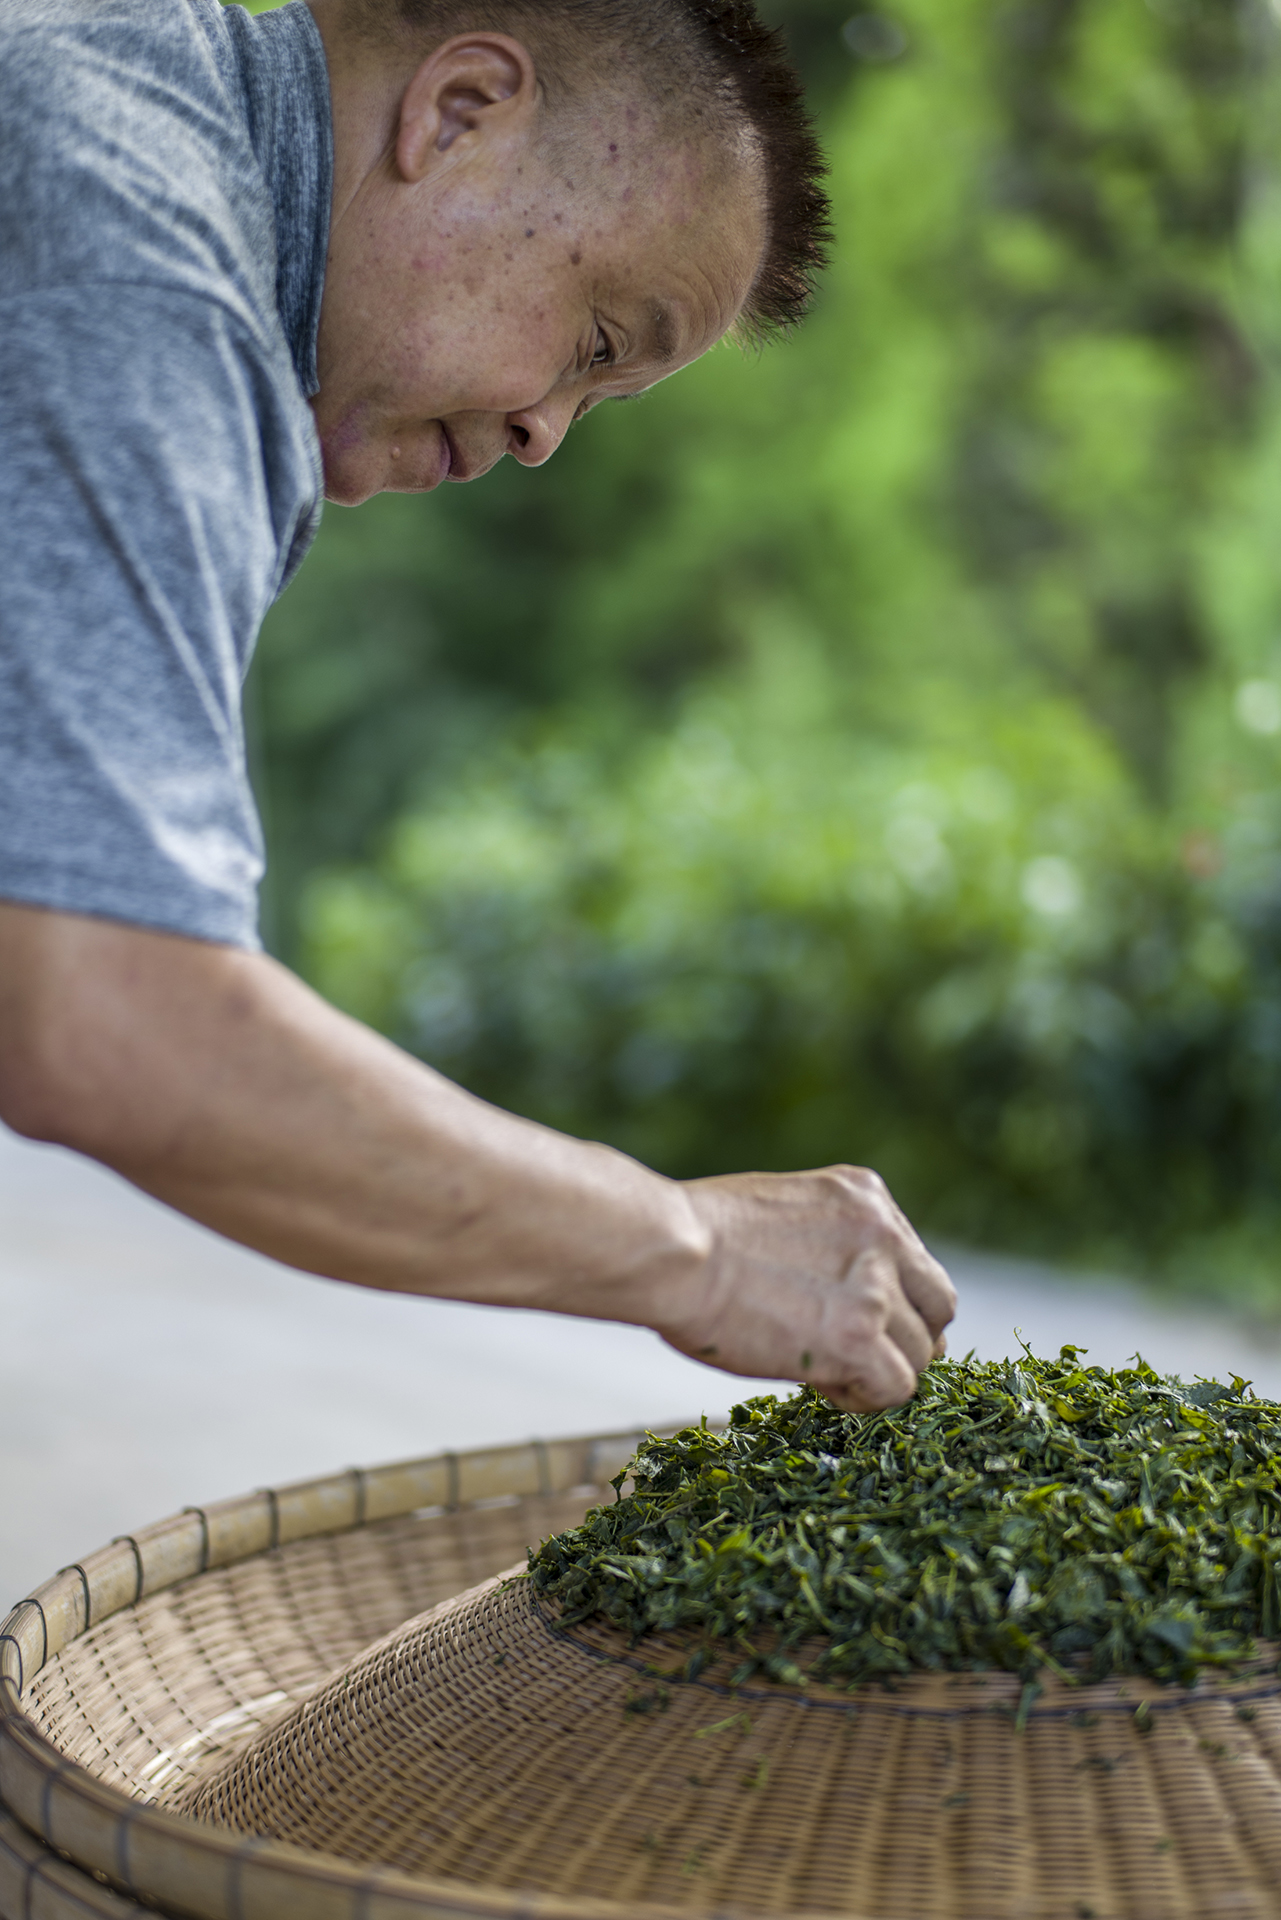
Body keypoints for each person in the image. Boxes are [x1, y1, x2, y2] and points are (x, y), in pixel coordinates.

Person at [0, 0, 955, 1412]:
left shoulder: (111, 105)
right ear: (459, 113)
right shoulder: (144, 272)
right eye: (594, 339)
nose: (542, 435)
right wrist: (693, 1251)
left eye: (599, 399)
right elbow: (104, 1009)